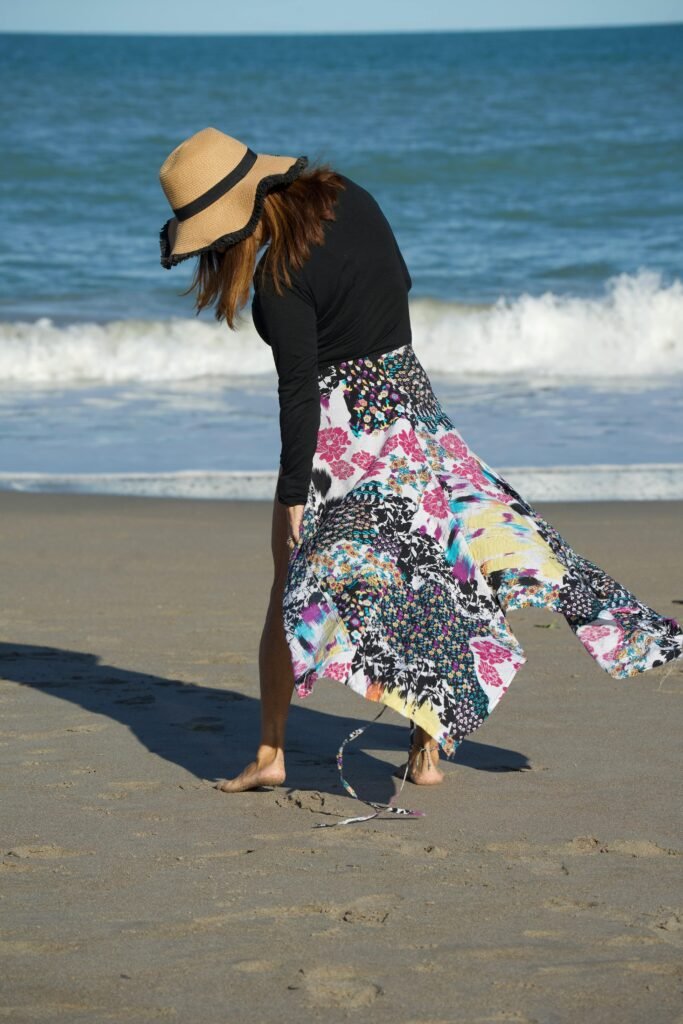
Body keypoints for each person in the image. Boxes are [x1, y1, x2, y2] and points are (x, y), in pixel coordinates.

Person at [159, 127, 683, 826]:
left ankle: (270, 751)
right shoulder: (351, 199)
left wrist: (292, 499)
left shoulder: (276, 286)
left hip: (348, 433)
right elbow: (397, 282)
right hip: (413, 402)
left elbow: (297, 396)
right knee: (446, 562)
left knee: (293, 584)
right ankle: (426, 754)